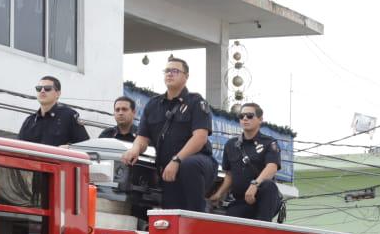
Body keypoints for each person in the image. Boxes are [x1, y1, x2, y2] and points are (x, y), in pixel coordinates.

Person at [119, 55, 217, 212]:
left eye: (175, 71)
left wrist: (177, 160)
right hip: (168, 169)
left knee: (189, 165)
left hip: (198, 163)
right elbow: (142, 138)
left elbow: (200, 137)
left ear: (186, 76)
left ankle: (198, 216)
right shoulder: (153, 105)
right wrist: (134, 149)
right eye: (167, 71)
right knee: (172, 212)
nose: (170, 74)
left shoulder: (196, 102)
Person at [211, 102, 282, 221]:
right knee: (229, 227)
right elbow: (229, 175)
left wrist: (255, 184)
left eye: (249, 115)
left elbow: (272, 167)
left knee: (268, 186)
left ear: (260, 119)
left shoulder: (269, 143)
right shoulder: (231, 145)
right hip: (241, 201)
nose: (245, 118)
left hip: (263, 199)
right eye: (241, 116)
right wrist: (219, 194)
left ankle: (265, 231)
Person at [18, 75, 88, 147]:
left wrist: (70, 148)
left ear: (58, 93)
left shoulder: (69, 116)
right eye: (39, 88)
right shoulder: (29, 121)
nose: (42, 91)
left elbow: (85, 145)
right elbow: (18, 148)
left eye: (47, 88)